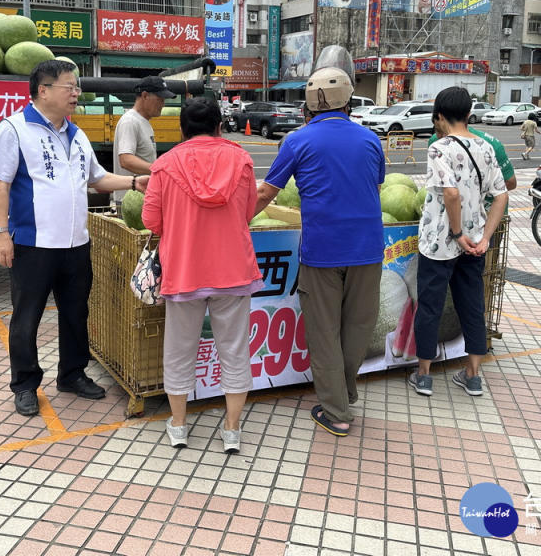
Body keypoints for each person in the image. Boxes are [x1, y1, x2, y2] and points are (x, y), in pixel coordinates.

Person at [0, 60, 148, 417]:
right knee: (26, 317)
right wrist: (0, 235)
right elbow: (0, 184)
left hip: (76, 243)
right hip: (32, 245)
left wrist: (136, 182)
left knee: (76, 312)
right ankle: (26, 384)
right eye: (69, 87)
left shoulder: (76, 134)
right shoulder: (13, 130)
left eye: (76, 87)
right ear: (43, 90)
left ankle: (72, 374)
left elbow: (97, 178)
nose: (76, 93)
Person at [255, 65, 386, 437]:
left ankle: (336, 411)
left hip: (323, 251)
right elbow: (374, 189)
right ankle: (345, 392)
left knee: (325, 332)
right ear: (349, 100)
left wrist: (235, 222)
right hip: (368, 249)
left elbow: (266, 193)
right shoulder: (370, 139)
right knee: (359, 326)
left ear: (308, 105)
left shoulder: (297, 140)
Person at [142, 98, 261, 453]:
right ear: (219, 127)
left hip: (184, 270)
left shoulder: (164, 165)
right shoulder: (241, 159)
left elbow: (151, 221)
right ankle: (232, 429)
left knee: (179, 350)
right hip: (234, 270)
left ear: (181, 129)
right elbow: (249, 210)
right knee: (235, 350)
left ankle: (178, 426)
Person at [410, 87, 508, 398]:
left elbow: (450, 193)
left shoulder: (440, 148)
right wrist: (485, 236)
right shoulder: (486, 147)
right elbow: (501, 195)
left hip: (441, 243)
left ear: (439, 115)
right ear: (468, 114)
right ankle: (473, 375)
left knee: (430, 305)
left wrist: (455, 233)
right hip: (476, 243)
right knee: (472, 306)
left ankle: (424, 374)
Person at [112, 75, 174, 204]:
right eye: (160, 99)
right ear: (145, 95)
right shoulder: (130, 121)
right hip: (130, 201)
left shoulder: (144, 121)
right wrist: (159, 169)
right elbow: (126, 160)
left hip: (142, 198)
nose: (163, 104)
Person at [427, 124, 517, 191]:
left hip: (489, 208)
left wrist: (477, 194)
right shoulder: (434, 143)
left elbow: (511, 182)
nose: (443, 138)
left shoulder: (490, 145)